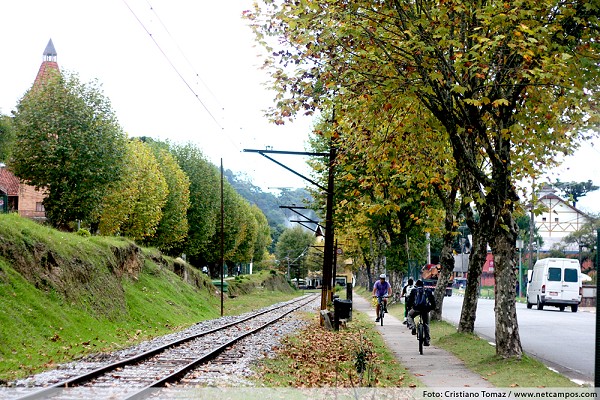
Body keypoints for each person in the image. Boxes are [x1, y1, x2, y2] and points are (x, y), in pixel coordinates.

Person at [406, 279, 436, 346]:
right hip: (425, 310)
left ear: (416, 285)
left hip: (416, 309)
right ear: (423, 285)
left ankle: (413, 326)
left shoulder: (414, 291)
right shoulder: (428, 291)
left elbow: (409, 301)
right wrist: (431, 308)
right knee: (426, 324)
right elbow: (433, 301)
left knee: (409, 316)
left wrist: (409, 307)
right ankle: (427, 340)